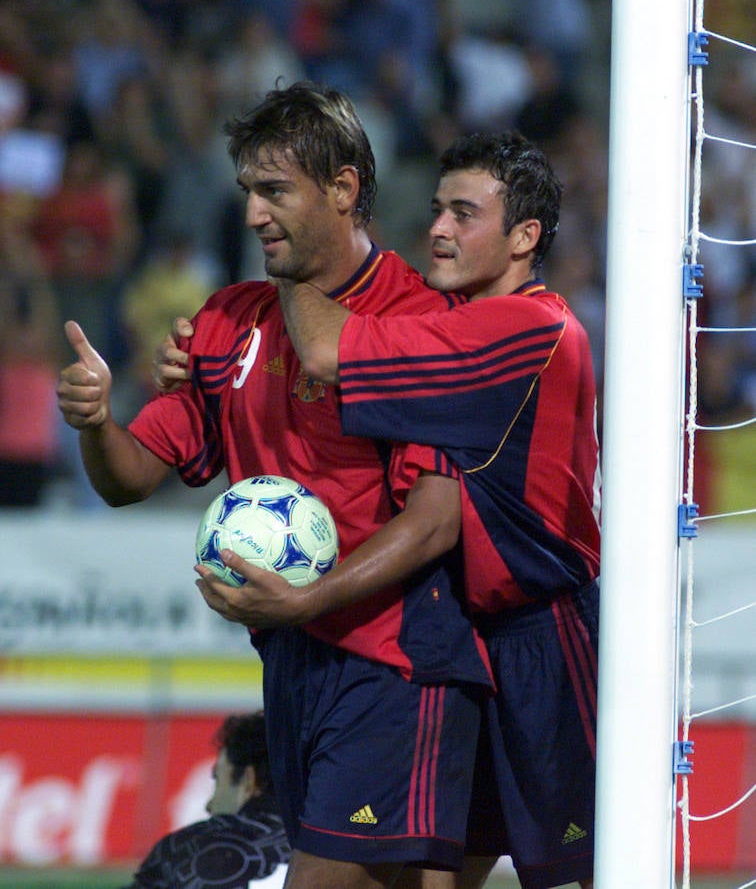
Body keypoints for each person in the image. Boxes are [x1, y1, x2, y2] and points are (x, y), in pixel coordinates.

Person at [57, 81, 493, 889]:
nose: (254, 213)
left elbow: (436, 521)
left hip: (398, 666)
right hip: (294, 666)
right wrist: (94, 422)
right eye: (247, 191)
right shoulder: (227, 322)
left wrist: (306, 600)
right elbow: (132, 477)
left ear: (343, 189)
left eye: (274, 190)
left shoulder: (421, 322)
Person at [160, 131, 601, 889]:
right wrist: (210, 347)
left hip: (544, 640)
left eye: (465, 214)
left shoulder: (529, 327)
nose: (437, 229)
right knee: (434, 874)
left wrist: (294, 251)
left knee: (578, 872)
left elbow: (330, 351)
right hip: (467, 639)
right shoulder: (445, 325)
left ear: (525, 236)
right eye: (436, 210)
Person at [123, 711, 290, 888]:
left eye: (218, 780)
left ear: (248, 780)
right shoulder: (317, 852)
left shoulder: (183, 851)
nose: (209, 805)